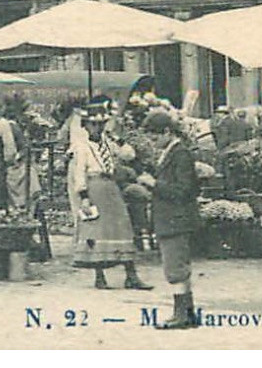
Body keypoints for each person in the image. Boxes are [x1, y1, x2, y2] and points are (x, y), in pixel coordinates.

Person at [67, 98, 151, 291]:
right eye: (93, 124)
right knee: (96, 230)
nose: (97, 128)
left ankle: (131, 275)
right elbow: (79, 173)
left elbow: (129, 154)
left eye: (101, 124)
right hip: (94, 186)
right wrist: (84, 197)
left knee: (122, 227)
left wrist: (116, 138)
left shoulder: (107, 143)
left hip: (111, 187)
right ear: (85, 126)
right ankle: (100, 276)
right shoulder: (82, 146)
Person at [144, 109, 200, 329]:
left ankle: (182, 315)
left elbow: (184, 190)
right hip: (170, 218)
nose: (153, 142)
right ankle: (186, 312)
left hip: (176, 218)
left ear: (168, 132)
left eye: (156, 136)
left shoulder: (180, 153)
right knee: (176, 265)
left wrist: (153, 184)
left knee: (175, 267)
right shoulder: (171, 152)